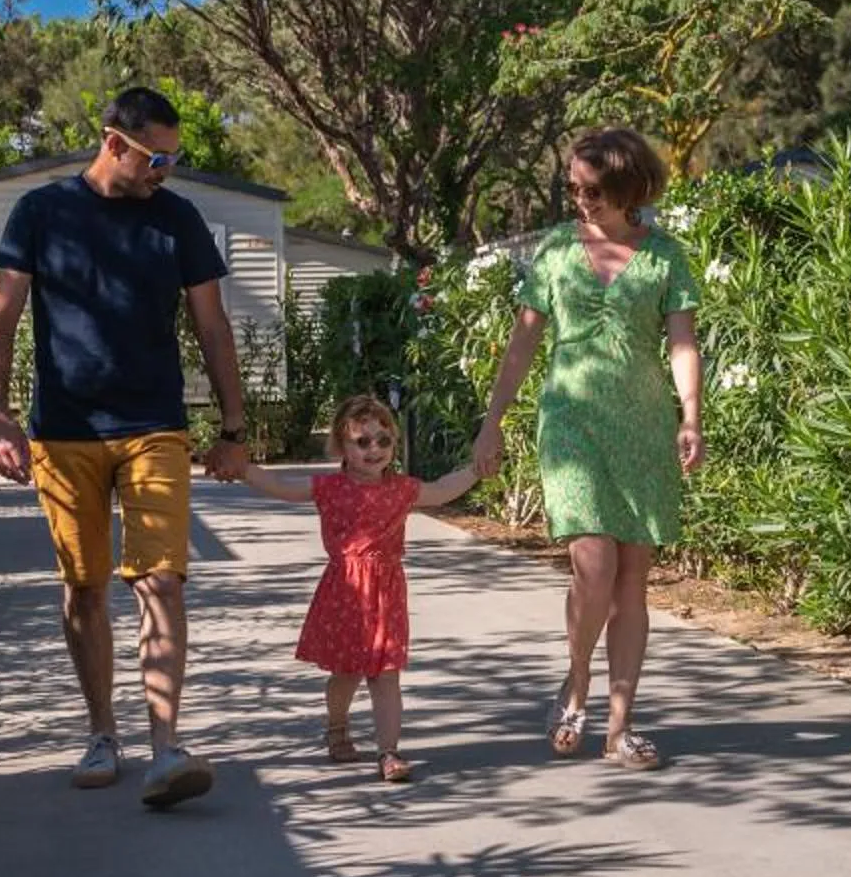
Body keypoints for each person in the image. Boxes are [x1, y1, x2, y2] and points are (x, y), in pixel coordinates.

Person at [0, 87, 252, 809]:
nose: (165, 170)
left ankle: (166, 746)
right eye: (156, 157)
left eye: (173, 159)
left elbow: (214, 328)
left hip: (155, 424)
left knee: (160, 578)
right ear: (114, 142)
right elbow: (0, 316)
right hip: (64, 432)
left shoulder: (177, 219)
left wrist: (233, 429)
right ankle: (103, 731)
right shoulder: (41, 212)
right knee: (86, 585)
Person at [473, 126, 703, 770]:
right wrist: (492, 421)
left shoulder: (665, 256)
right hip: (571, 425)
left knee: (632, 580)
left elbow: (683, 343)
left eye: (592, 189)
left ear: (629, 188)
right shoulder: (554, 251)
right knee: (593, 565)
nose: (579, 198)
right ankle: (576, 682)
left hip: (643, 426)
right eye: (572, 187)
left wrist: (691, 418)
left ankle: (620, 726)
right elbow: (522, 345)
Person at [234, 396, 480, 785]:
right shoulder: (330, 487)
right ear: (340, 446)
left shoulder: (402, 489)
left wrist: (475, 471)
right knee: (345, 674)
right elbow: (280, 485)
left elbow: (442, 488)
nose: (375, 449)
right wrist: (242, 468)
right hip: (345, 590)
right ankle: (337, 725)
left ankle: (389, 752)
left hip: (386, 592)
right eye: (362, 442)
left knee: (386, 673)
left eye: (384, 441)